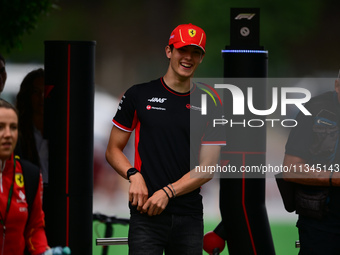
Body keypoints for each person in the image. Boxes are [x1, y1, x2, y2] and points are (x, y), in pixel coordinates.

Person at [105, 23, 226, 255]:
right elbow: (113, 149)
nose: (188, 57)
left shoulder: (211, 101)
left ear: (201, 57)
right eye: (182, 50)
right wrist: (134, 175)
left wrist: (167, 192)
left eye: (195, 52)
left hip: (189, 217)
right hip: (146, 214)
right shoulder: (137, 94)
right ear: (169, 51)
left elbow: (207, 168)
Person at [283, 74, 340, 254]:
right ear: (337, 85)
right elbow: (290, 169)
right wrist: (333, 177)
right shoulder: (314, 109)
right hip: (321, 223)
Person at [15, 68, 48, 185]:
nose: (42, 96)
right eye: (36, 92)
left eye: (45, 91)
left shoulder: (62, 131)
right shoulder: (17, 132)